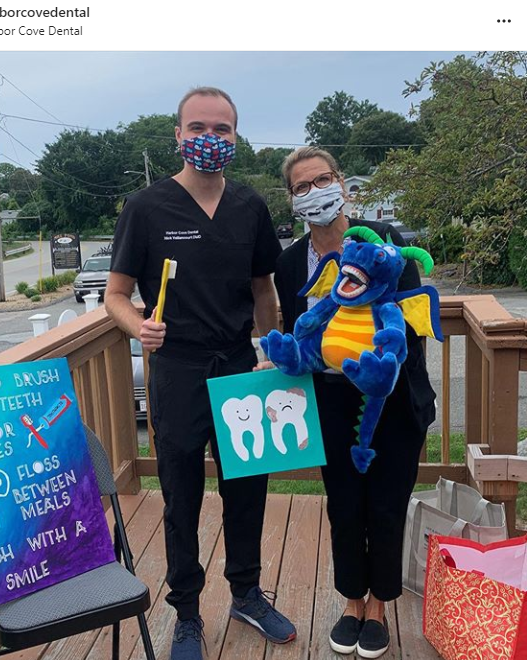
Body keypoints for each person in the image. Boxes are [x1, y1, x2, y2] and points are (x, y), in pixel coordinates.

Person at [105, 87, 296, 660]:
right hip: (177, 370)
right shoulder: (146, 207)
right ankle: (186, 613)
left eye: (222, 129)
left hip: (241, 368)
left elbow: (263, 290)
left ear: (236, 136)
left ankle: (247, 594)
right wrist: (138, 326)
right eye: (198, 128)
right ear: (178, 134)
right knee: (181, 497)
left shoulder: (249, 206)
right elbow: (116, 295)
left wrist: (270, 348)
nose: (210, 138)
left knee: (247, 491)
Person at [261, 147, 436, 659]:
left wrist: (374, 362)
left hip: (392, 399)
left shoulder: (385, 243)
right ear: (292, 199)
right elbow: (300, 330)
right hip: (329, 401)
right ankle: (352, 601)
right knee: (343, 505)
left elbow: (409, 324)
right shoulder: (290, 262)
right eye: (302, 187)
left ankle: (379, 606)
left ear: (341, 183)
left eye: (323, 180)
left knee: (386, 504)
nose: (315, 192)